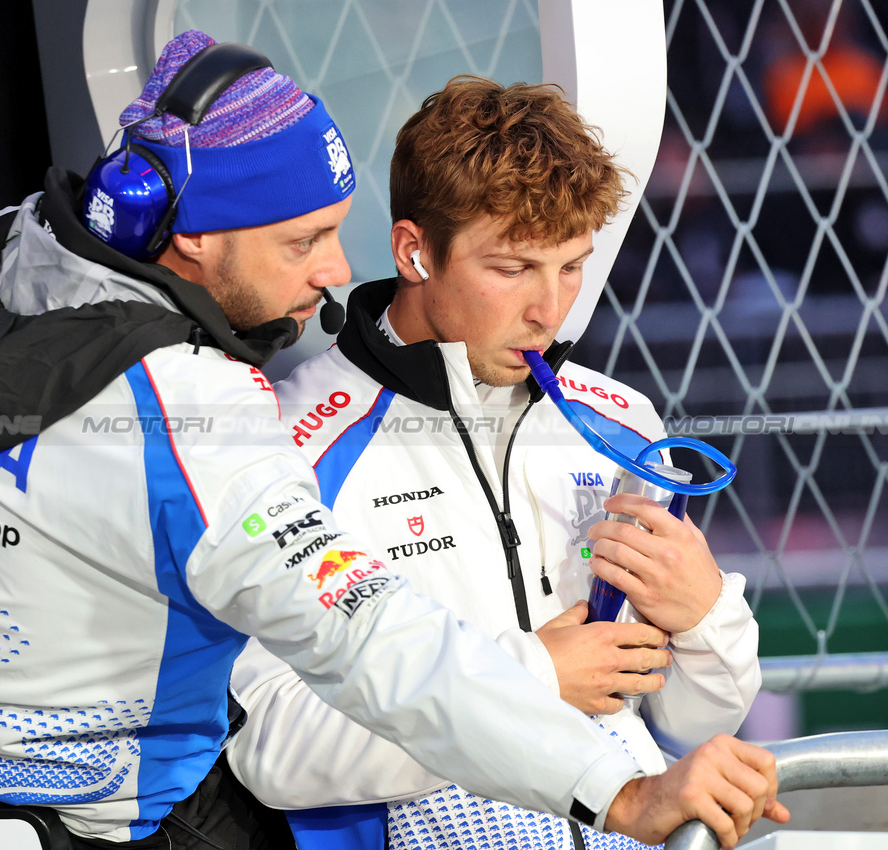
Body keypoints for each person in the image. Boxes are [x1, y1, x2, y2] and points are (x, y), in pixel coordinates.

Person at [0, 31, 783, 850]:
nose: (335, 269)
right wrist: (623, 788)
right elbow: (370, 646)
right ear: (190, 234)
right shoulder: (211, 423)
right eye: (301, 240)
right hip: (66, 812)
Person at [227, 76, 771, 850]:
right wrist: (529, 679)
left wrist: (703, 613)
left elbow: (690, 719)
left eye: (571, 266)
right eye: (513, 269)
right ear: (414, 250)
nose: (550, 311)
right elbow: (268, 748)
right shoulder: (286, 442)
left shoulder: (616, 421)